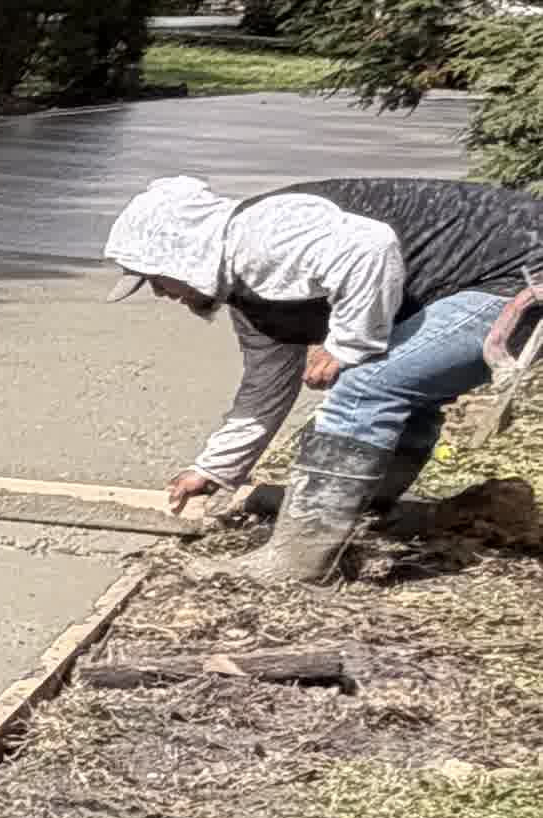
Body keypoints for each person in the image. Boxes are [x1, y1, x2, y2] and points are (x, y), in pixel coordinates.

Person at [103, 170, 543, 587]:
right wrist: (214, 468)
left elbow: (371, 246)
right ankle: (359, 505)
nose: (161, 293)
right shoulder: (255, 301)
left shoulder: (260, 236)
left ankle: (298, 560)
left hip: (522, 272)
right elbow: (265, 390)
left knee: (367, 385)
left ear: (183, 251)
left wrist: (346, 345)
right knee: (400, 381)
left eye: (156, 279)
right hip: (493, 279)